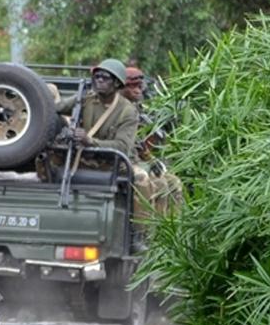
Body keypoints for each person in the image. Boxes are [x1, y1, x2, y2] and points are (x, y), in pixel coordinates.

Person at [51, 58, 139, 172]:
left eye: (105, 77)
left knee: (141, 179)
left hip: (111, 164)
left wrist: (89, 141)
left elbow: (122, 147)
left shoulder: (127, 111)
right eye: (97, 76)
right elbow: (57, 107)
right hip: (81, 157)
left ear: (117, 82)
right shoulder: (86, 98)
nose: (99, 80)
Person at [121, 65, 184, 220]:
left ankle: (171, 226)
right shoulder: (120, 109)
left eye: (139, 87)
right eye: (132, 87)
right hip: (123, 161)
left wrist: (152, 161)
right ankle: (145, 231)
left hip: (136, 160)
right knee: (159, 184)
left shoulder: (136, 109)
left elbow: (140, 145)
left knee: (173, 182)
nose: (138, 91)